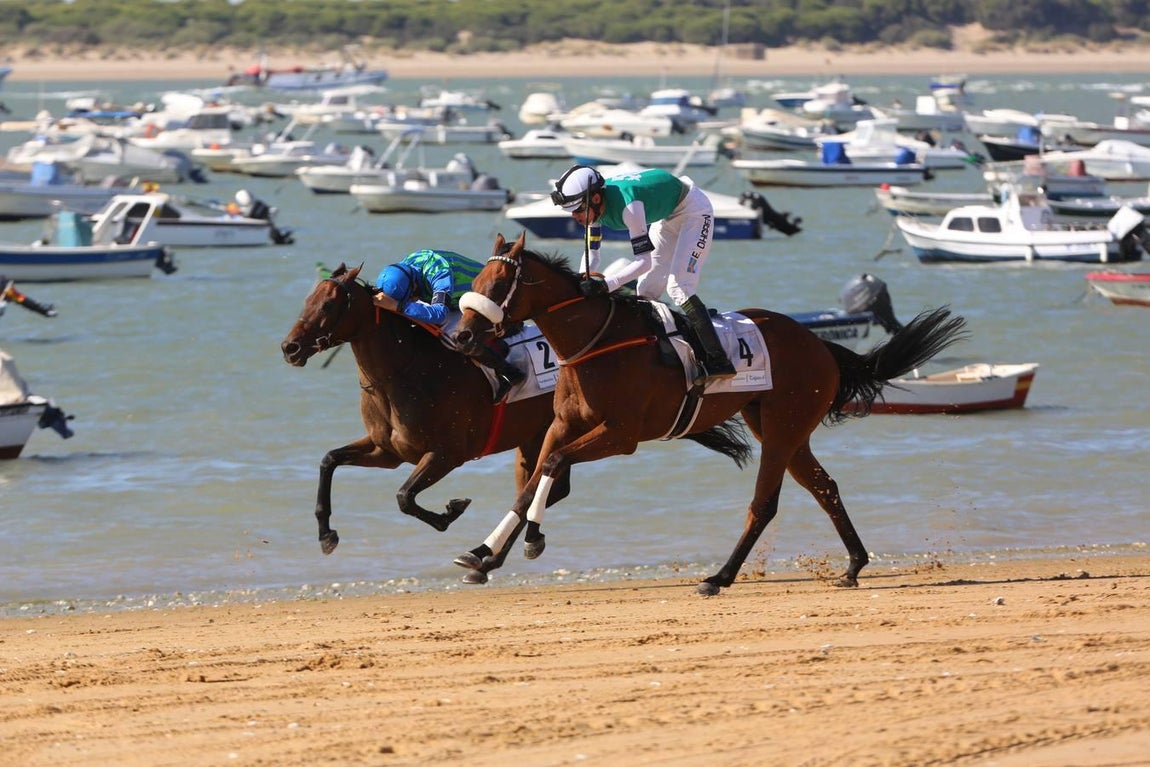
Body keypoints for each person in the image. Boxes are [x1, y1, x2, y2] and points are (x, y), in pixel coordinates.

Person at [549, 164, 736, 385]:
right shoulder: (593, 207)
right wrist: (581, 281)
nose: (575, 216)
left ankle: (718, 360)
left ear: (596, 199)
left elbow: (643, 262)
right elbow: (592, 254)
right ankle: (656, 354)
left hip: (694, 210)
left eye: (578, 209)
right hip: (667, 216)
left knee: (679, 287)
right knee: (646, 291)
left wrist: (606, 285)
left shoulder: (630, 207)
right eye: (571, 211)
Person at [373, 249, 525, 402]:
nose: (413, 299)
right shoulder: (404, 271)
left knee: (457, 337)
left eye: (411, 296)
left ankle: (508, 372)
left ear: (413, 284)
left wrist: (399, 306)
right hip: (459, 301)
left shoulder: (439, 272)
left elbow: (439, 314)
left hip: (491, 303)